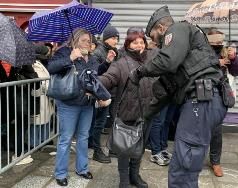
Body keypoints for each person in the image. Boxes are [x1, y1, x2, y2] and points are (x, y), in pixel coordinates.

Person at [130, 6, 227, 188]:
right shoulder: (181, 55)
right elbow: (165, 90)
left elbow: (167, 61)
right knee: (182, 163)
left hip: (201, 99)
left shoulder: (178, 29)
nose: (156, 43)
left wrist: (140, 72)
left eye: (152, 37)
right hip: (203, 100)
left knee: (184, 165)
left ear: (161, 28)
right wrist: (144, 117)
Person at [47, 28, 112, 187]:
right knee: (66, 138)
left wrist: (107, 63)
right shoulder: (64, 52)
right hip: (68, 103)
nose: (88, 43)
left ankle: (82, 169)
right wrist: (70, 58)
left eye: (89, 41)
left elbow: (96, 73)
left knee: (83, 137)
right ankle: (61, 173)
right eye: (84, 40)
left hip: (87, 104)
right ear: (75, 40)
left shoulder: (91, 57)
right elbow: (51, 67)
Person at [99, 27, 158, 188]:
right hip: (127, 112)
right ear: (128, 45)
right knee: (125, 148)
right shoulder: (121, 64)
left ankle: (135, 175)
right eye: (135, 42)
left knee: (140, 146)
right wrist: (95, 82)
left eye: (142, 42)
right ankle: (124, 179)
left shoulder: (151, 61)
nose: (139, 45)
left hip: (147, 113)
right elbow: (109, 78)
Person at [206, 28, 238, 177]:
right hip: (202, 93)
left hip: (220, 96)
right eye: (214, 40)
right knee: (200, 129)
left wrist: (233, 59)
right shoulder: (201, 52)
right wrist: (216, 62)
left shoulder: (226, 52)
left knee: (216, 131)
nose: (217, 43)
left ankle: (215, 161)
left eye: (219, 40)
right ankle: (195, 158)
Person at [89, 24, 120, 161]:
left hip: (109, 92)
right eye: (113, 38)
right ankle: (96, 150)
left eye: (117, 38)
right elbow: (95, 75)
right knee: (98, 123)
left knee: (99, 122)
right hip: (101, 94)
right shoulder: (99, 53)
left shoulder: (112, 51)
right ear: (106, 38)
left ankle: (94, 146)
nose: (116, 41)